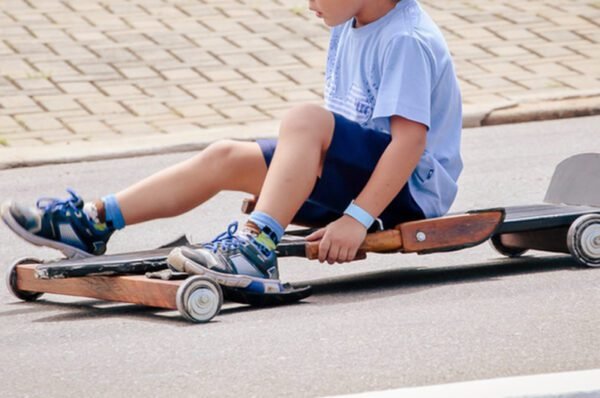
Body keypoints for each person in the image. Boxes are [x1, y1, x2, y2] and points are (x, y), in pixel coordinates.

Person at [1, 0, 462, 293]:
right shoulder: (349, 24)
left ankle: (256, 248)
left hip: (407, 197)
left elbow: (408, 143)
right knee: (226, 155)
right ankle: (95, 222)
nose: (308, 3)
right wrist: (290, 188)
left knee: (303, 119)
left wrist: (356, 220)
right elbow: (339, 139)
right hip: (366, 179)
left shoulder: (404, 39)